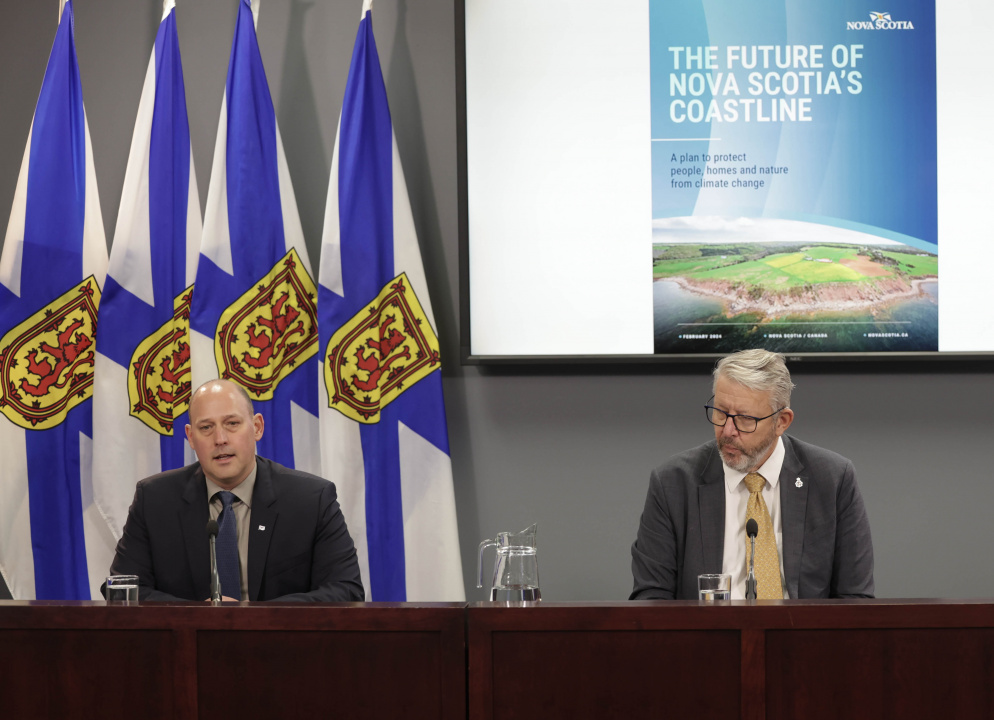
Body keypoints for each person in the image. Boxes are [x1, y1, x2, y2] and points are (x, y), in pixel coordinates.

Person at [630, 349, 874, 600]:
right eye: (721, 412)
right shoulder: (673, 483)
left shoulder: (832, 479)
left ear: (782, 421)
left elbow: (855, 598)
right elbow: (651, 597)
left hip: (801, 637)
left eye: (745, 419)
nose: (728, 430)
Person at [109, 379, 364, 602]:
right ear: (190, 437)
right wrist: (196, 616)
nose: (220, 439)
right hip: (185, 649)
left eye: (232, 423)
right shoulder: (154, 500)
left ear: (257, 427)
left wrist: (251, 617)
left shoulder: (311, 500)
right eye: (206, 427)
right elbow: (122, 590)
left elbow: (346, 590)